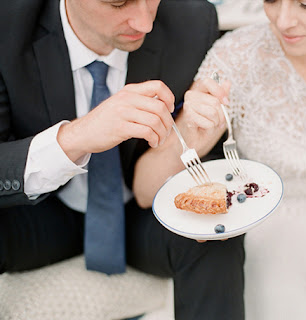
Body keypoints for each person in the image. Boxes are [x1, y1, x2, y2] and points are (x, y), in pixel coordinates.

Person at [136, 0, 306, 319]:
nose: (284, 20)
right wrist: (195, 137)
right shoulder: (237, 55)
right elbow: (144, 189)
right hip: (264, 231)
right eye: (272, 0)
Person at [0, 1, 246, 319]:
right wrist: (77, 137)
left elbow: (202, 151)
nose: (144, 22)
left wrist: (197, 125)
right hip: (38, 214)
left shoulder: (191, 20)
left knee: (218, 231)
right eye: (118, 2)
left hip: (142, 214)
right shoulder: (7, 24)